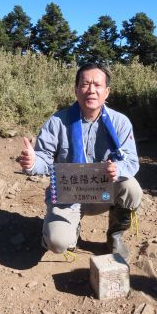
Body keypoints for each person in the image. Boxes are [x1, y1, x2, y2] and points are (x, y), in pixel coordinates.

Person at [16, 62, 142, 261]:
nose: (91, 90)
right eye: (85, 84)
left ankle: (115, 235)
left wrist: (117, 168)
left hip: (103, 192)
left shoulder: (120, 122)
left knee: (131, 188)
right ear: (76, 89)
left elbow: (131, 160)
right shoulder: (58, 122)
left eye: (97, 85)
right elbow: (44, 159)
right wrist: (32, 163)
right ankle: (70, 230)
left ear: (107, 92)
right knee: (58, 243)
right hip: (68, 194)